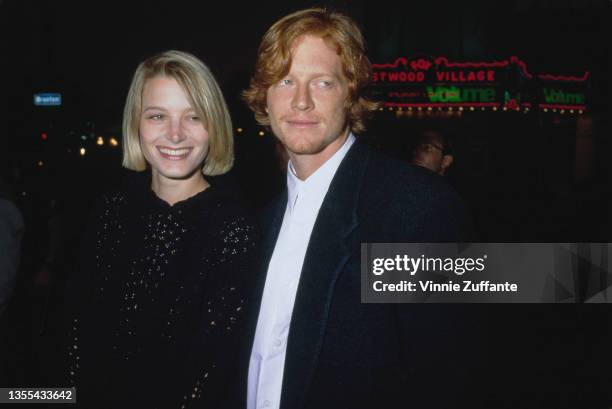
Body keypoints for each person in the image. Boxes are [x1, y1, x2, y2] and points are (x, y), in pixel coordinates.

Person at [241, 8, 476, 409]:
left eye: (322, 82)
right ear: (265, 95)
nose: (300, 101)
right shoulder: (259, 223)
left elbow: (444, 376)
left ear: (350, 93)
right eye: (285, 81)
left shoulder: (411, 207)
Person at [65, 50, 256, 408]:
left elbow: (214, 370)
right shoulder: (110, 210)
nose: (175, 134)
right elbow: (77, 329)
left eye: (193, 117)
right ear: (136, 123)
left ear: (214, 125)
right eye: (157, 116)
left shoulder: (235, 230)